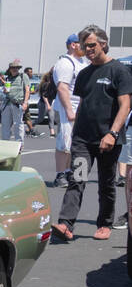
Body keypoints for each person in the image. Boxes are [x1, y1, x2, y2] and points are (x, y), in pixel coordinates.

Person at [54, 26, 132, 241]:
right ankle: (65, 224)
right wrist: (75, 130)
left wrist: (113, 134)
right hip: (83, 139)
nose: (87, 49)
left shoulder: (119, 71)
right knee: (77, 179)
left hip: (108, 139)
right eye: (84, 46)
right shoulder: (84, 74)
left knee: (106, 183)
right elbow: (83, 105)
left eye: (92, 45)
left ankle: (105, 224)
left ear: (103, 44)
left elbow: (125, 105)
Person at [51, 33, 87, 186]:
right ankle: (60, 175)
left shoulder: (82, 63)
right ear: (73, 45)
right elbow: (62, 88)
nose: (86, 48)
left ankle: (75, 174)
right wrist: (69, 111)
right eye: (83, 44)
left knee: (79, 144)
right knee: (64, 142)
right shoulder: (65, 63)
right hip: (69, 109)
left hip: (81, 109)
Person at [0, 60, 27, 141]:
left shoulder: (23, 76)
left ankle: (19, 144)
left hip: (17, 103)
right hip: (7, 103)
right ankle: (5, 142)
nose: (14, 69)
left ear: (18, 69)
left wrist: (25, 102)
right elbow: (5, 91)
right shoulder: (8, 78)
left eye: (16, 68)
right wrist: (5, 90)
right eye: (12, 68)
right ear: (10, 69)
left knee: (18, 124)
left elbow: (27, 90)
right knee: (5, 124)